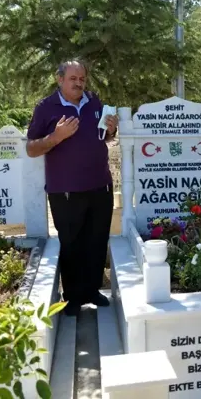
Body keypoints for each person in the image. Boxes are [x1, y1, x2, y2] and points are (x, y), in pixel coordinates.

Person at [26, 59, 119, 317]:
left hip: (101, 185)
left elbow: (105, 137)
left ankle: (92, 291)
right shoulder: (46, 107)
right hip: (65, 190)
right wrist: (56, 137)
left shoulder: (94, 101)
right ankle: (73, 297)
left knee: (97, 240)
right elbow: (31, 148)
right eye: (73, 78)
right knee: (71, 243)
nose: (79, 83)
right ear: (60, 79)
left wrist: (111, 130)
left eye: (82, 79)